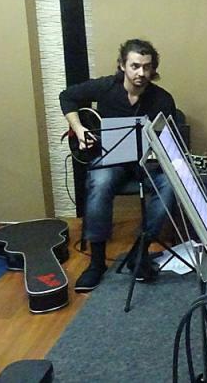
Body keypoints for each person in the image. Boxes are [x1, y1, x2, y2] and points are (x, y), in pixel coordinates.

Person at [60, 39, 176, 292]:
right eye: (135, 66)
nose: (141, 73)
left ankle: (139, 251)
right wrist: (78, 129)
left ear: (153, 68)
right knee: (100, 182)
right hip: (111, 159)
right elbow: (67, 97)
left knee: (170, 185)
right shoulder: (106, 87)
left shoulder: (163, 99)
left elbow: (170, 141)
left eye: (146, 67)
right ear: (122, 65)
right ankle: (97, 263)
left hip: (146, 164)